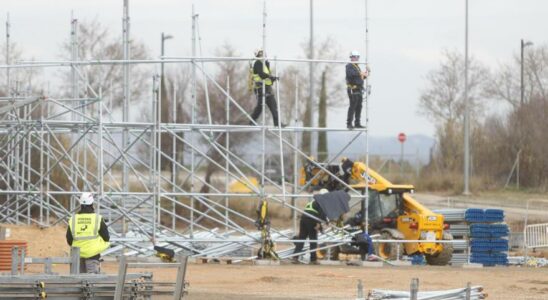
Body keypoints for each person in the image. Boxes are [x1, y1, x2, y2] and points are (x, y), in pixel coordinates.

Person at [66, 192, 110, 274]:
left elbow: (69, 239)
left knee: (77, 282)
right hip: (93, 255)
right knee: (92, 282)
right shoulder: (97, 219)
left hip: (77, 255)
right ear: (92, 203)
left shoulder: (73, 219)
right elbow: (106, 237)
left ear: (81, 204)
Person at [249, 48, 285, 127]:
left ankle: (277, 123)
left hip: (267, 89)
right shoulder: (257, 63)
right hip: (261, 88)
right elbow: (262, 74)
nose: (264, 54)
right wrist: (271, 77)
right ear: (258, 54)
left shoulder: (264, 64)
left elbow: (267, 77)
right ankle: (252, 121)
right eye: (262, 53)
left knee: (273, 106)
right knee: (260, 107)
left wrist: (273, 78)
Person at [292, 189, 329, 265]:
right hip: (311, 219)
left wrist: (321, 225)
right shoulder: (322, 202)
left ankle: (295, 257)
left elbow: (317, 213)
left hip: (304, 219)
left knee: (301, 239)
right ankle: (313, 260)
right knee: (313, 240)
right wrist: (320, 224)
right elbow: (322, 214)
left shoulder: (313, 201)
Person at [345, 50, 369, 129]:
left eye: (357, 57)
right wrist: (361, 73)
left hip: (359, 89)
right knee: (352, 106)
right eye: (354, 57)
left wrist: (366, 73)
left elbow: (360, 77)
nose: (356, 58)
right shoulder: (349, 66)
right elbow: (351, 74)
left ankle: (357, 123)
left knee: (359, 106)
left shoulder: (357, 67)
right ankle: (349, 124)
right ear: (351, 57)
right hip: (353, 89)